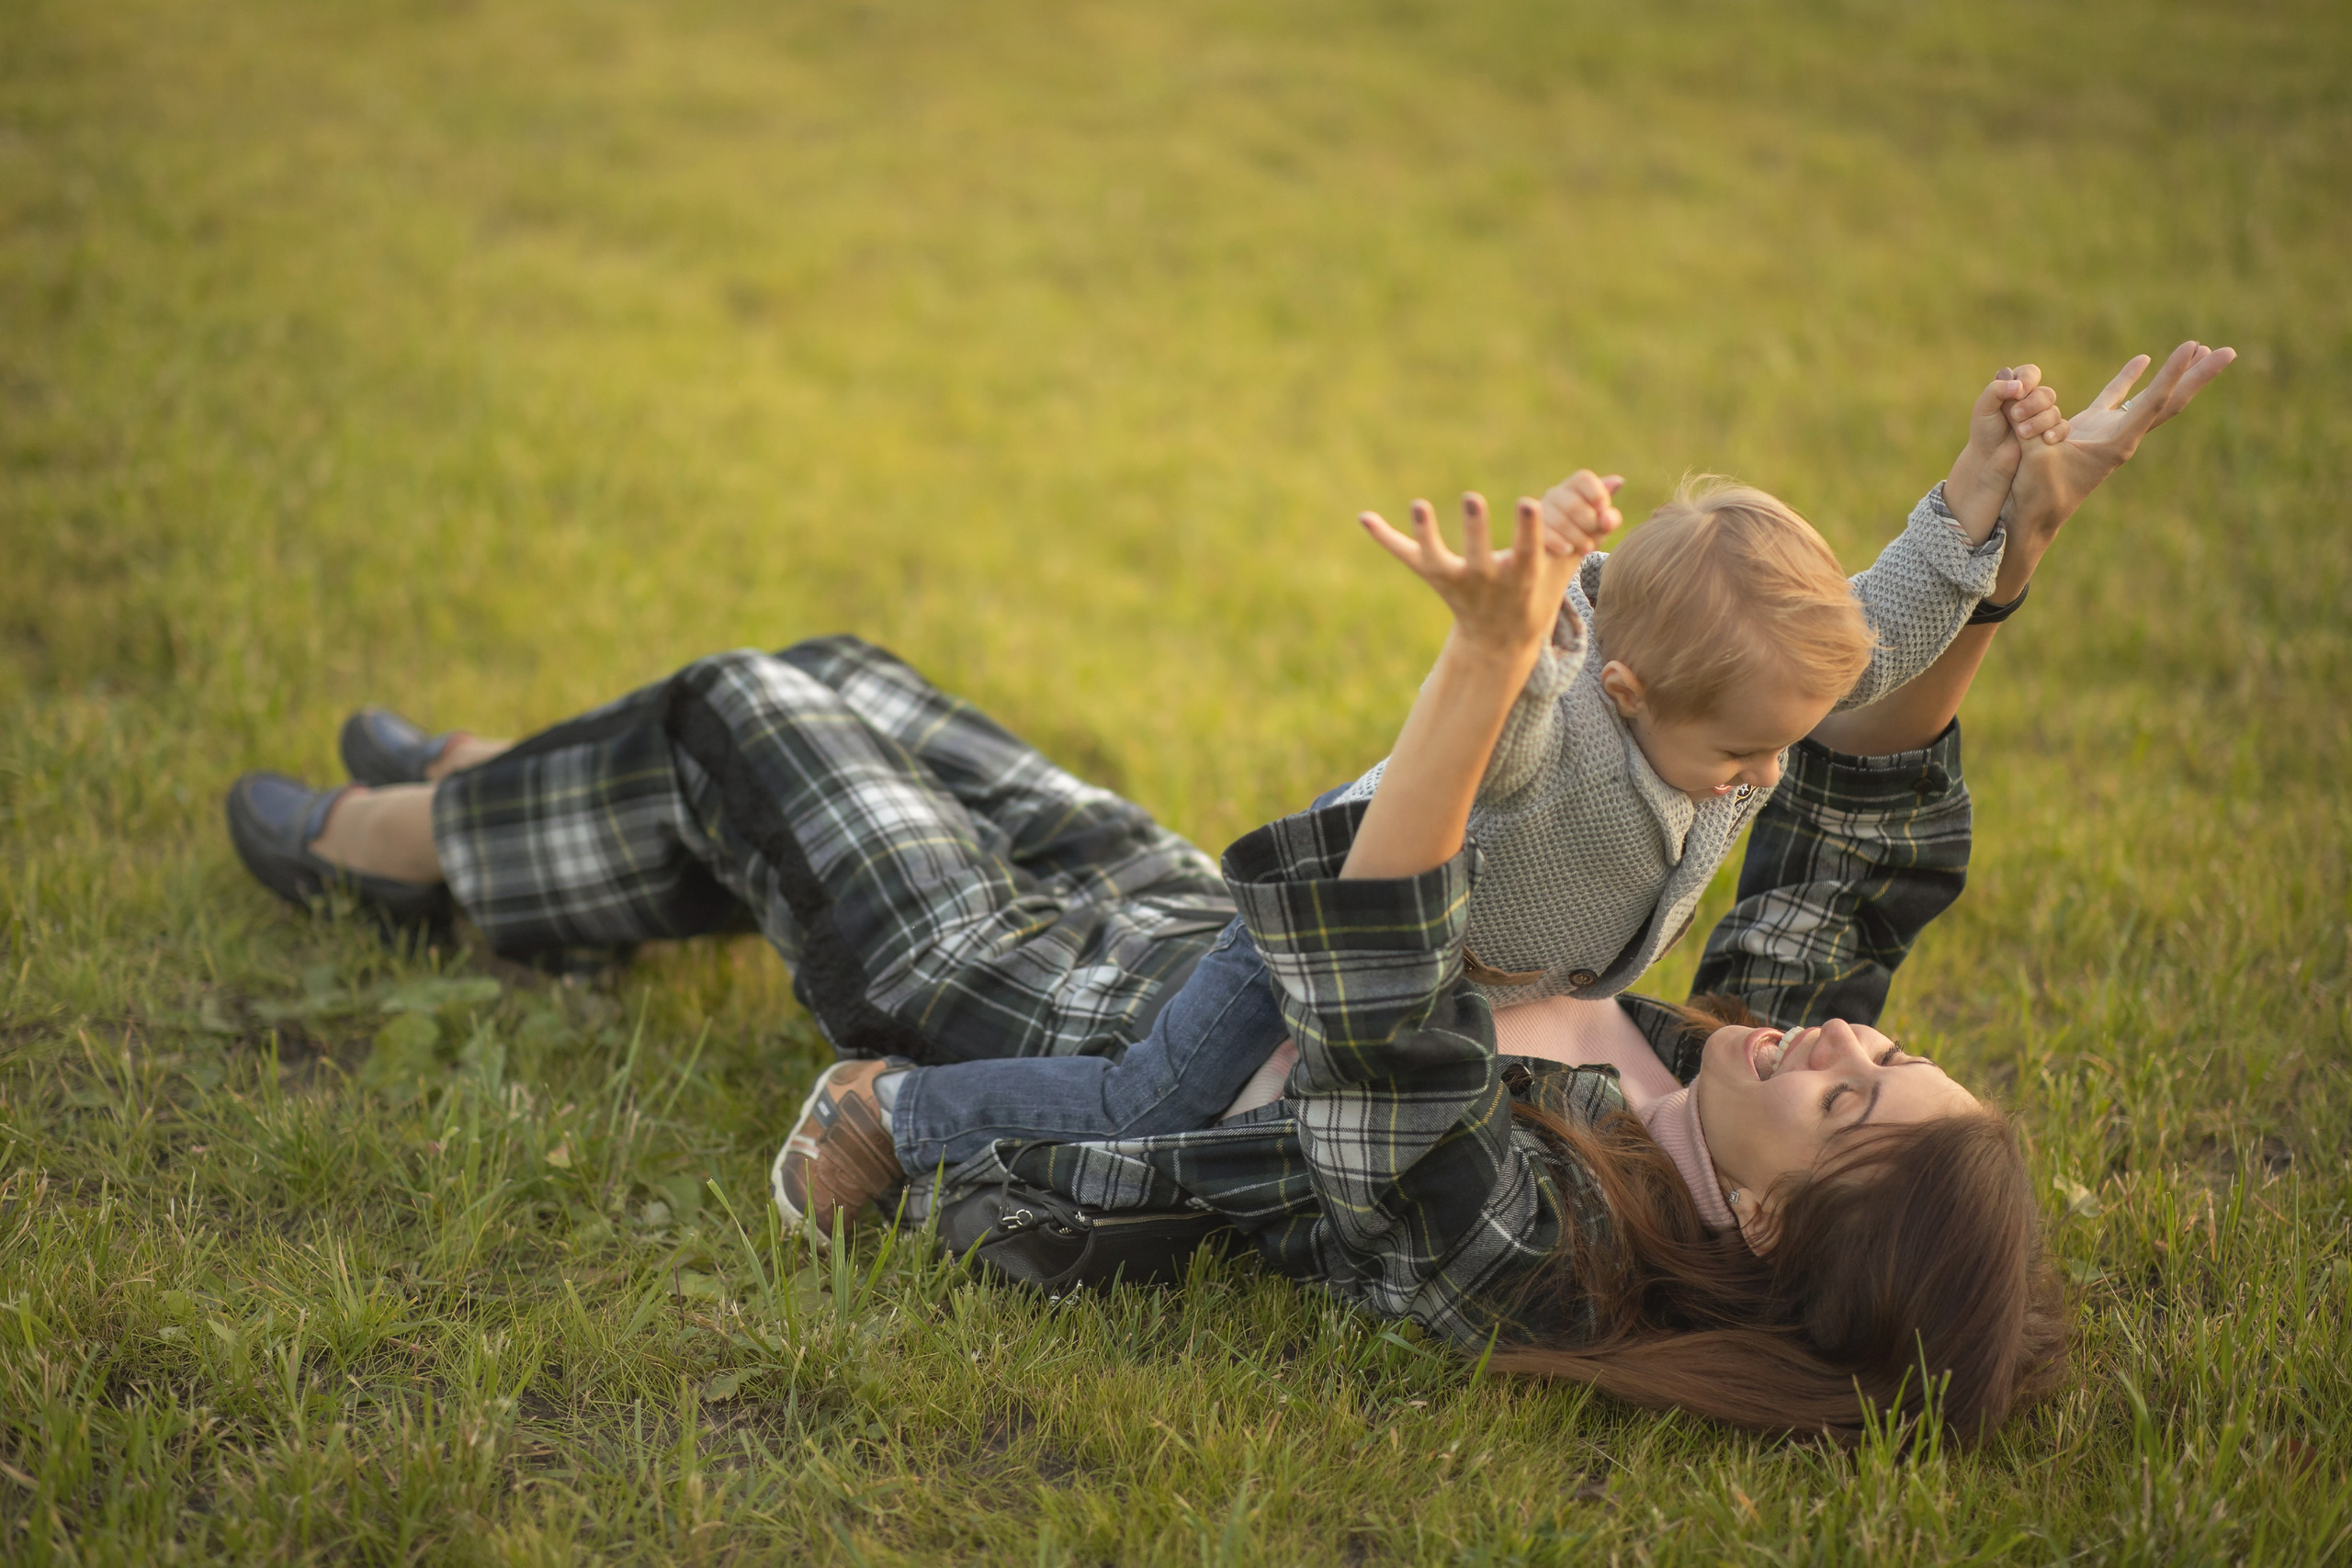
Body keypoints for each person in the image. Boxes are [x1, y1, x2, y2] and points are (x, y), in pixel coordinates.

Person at [222, 342, 2232, 1440]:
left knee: (748, 708)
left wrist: (1483, 664)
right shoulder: (1714, 1063)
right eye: (1887, 1043)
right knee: (848, 677)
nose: (1833, 1027)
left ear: (1779, 1211)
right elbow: (1850, 815)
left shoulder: (1539, 1244)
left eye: (1851, 1088)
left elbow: (1367, 994)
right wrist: (1996, 555)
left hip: (1028, 1002)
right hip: (1168, 908)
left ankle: (407, 850)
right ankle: (522, 787)